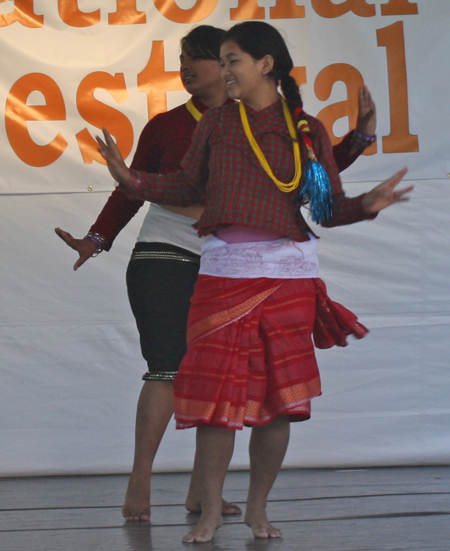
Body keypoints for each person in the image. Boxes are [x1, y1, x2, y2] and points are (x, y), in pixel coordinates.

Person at [55, 25, 377, 524]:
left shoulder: (281, 122)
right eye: (191, 59)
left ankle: (205, 497)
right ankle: (140, 482)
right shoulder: (175, 125)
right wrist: (97, 238)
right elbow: (142, 187)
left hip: (247, 264)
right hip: (173, 249)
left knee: (244, 388)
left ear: (255, 65)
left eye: (209, 60)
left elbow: (308, 175)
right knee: (170, 367)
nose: (193, 69)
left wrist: (358, 143)